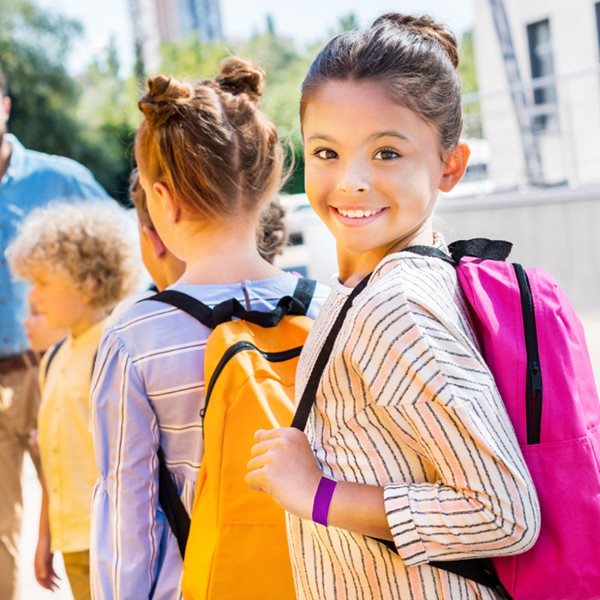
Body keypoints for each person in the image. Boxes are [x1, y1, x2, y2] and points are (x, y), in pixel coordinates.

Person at [246, 14, 541, 599]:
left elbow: (504, 512)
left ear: (449, 165)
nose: (351, 181)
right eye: (326, 152)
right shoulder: (379, 282)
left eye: (385, 153)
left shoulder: (394, 305)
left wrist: (316, 494)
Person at [89, 57, 328, 599]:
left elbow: (129, 515)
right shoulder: (330, 309)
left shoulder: (135, 338)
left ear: (163, 200)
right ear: (266, 187)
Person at [0, 66, 108, 600]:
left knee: (82, 495)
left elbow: (122, 248)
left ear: (4, 107)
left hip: (53, 370)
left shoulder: (60, 179)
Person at [6, 200, 141, 600]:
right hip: (73, 540)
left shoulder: (112, 350)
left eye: (44, 283)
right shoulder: (56, 358)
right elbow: (51, 458)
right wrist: (45, 536)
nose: (35, 295)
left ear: (91, 283)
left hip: (112, 541)